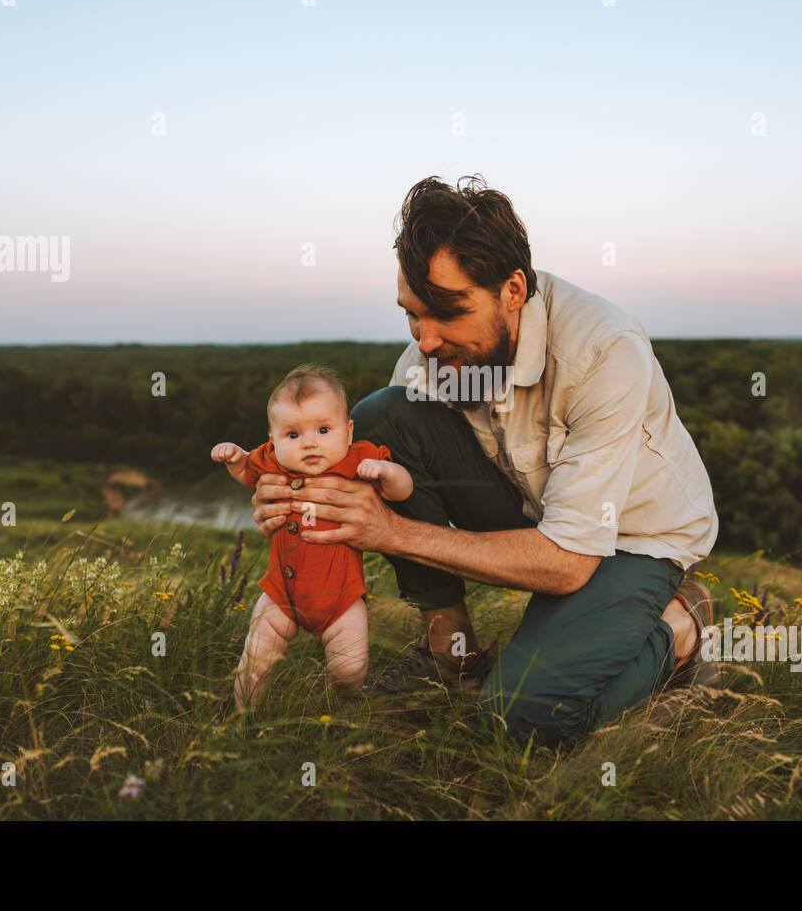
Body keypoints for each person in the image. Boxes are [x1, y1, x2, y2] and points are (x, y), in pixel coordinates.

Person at [249, 176, 720, 747]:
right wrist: (289, 491)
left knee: (519, 717)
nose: (424, 340)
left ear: (513, 290)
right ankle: (452, 650)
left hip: (630, 536)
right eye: (412, 314)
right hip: (531, 503)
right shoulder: (435, 354)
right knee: (384, 419)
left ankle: (681, 627)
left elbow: (569, 561)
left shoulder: (604, 348)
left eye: (447, 311)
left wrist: (393, 532)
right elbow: (355, 465)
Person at [212, 364, 413, 707]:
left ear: (348, 432)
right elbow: (248, 473)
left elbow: (402, 491)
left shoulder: (358, 459)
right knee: (256, 656)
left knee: (349, 667)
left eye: (323, 429)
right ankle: (243, 716)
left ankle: (347, 701)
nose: (309, 443)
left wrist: (387, 472)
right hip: (281, 592)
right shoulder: (273, 462)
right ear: (273, 439)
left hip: (342, 597)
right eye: (293, 435)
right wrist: (236, 458)